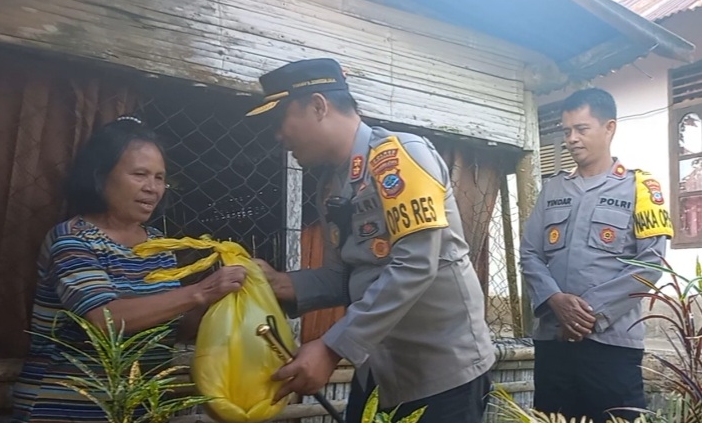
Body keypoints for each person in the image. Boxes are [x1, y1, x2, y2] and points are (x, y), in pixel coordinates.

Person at [247, 58, 496, 423]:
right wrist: (278, 284)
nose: (278, 136)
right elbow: (342, 277)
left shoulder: (399, 158)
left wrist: (331, 349)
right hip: (382, 372)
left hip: (443, 375)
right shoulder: (331, 185)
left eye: (280, 120)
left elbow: (414, 264)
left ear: (318, 106)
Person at [11, 116, 246, 423]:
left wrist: (226, 301)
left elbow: (171, 327)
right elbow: (104, 319)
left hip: (138, 408)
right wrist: (202, 291)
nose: (153, 188)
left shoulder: (159, 246)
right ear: (100, 175)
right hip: (65, 408)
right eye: (140, 174)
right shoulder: (72, 239)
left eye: (160, 178)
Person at [520, 88, 673, 423]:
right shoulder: (552, 190)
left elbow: (650, 263)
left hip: (612, 346)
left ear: (609, 127)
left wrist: (588, 316)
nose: (572, 139)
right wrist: (555, 301)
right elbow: (530, 253)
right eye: (566, 131)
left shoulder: (640, 188)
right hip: (554, 342)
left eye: (582, 129)